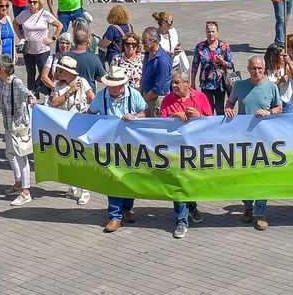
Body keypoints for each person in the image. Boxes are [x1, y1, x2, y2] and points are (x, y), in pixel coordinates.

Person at [225, 55, 284, 230]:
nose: (256, 72)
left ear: (264, 68)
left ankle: (261, 212)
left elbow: (279, 108)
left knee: (262, 176)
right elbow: (230, 102)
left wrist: (269, 112)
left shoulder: (271, 86)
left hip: (264, 139)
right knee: (246, 175)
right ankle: (247, 207)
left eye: (259, 68)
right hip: (244, 138)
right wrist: (228, 109)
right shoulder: (240, 86)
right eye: (253, 68)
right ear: (248, 68)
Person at [91, 66, 147, 232]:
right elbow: (90, 114)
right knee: (114, 179)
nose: (113, 89)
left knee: (130, 178)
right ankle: (115, 216)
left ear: (123, 84)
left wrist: (135, 117)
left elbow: (146, 111)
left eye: (116, 86)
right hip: (110, 146)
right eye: (110, 86)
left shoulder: (134, 94)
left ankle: (127, 208)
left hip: (131, 146)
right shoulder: (101, 96)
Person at [158, 71, 211, 238]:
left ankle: (192, 206)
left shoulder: (200, 97)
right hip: (175, 151)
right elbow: (159, 124)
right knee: (178, 183)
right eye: (173, 82)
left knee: (191, 182)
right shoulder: (167, 100)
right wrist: (172, 118)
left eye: (178, 82)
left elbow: (212, 122)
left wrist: (199, 116)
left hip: (195, 150)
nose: (174, 85)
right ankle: (181, 220)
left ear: (188, 84)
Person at [0, 52, 35, 204]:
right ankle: (18, 182)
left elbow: (25, 92)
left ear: (1, 68)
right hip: (8, 124)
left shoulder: (15, 82)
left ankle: (26, 192)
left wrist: (30, 98)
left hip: (19, 125)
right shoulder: (0, 82)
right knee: (10, 154)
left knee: (22, 156)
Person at [47, 55, 94, 205]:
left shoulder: (82, 82)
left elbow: (93, 98)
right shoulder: (59, 85)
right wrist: (69, 92)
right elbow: (54, 103)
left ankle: (85, 190)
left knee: (81, 158)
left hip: (80, 126)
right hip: (64, 126)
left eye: (62, 70)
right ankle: (73, 185)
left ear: (70, 72)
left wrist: (90, 113)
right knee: (68, 157)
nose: (59, 72)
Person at [16, 0, 62, 93]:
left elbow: (59, 25)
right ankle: (31, 92)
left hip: (42, 50)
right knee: (30, 73)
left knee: (44, 74)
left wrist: (53, 38)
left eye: (34, 2)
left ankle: (42, 91)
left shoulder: (45, 14)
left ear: (39, 3)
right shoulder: (24, 13)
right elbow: (15, 23)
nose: (32, 4)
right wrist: (20, 36)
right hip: (28, 50)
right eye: (30, 2)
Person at [190, 21, 234, 114]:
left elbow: (231, 65)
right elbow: (195, 66)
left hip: (220, 83)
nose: (211, 34)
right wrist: (192, 83)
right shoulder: (200, 46)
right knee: (207, 109)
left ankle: (220, 128)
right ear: (206, 32)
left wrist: (222, 62)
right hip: (206, 83)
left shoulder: (224, 46)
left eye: (213, 31)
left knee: (220, 109)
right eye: (209, 31)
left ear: (217, 32)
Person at [141, 27, 173, 113]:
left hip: (157, 100)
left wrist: (145, 98)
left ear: (155, 41)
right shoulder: (148, 54)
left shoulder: (163, 61)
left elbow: (159, 88)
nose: (142, 44)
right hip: (147, 95)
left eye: (145, 41)